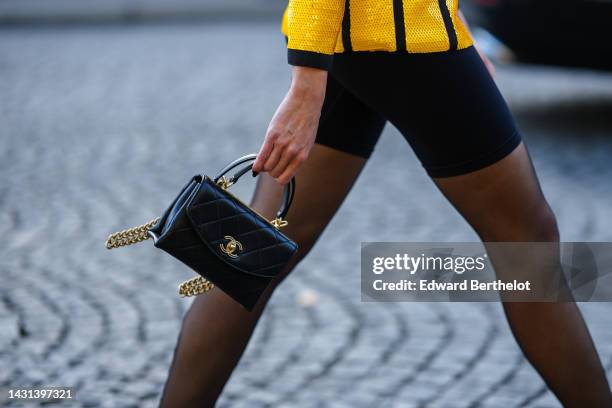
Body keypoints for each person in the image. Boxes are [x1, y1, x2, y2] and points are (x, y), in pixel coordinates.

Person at [159, 1, 612, 406]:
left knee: (254, 252)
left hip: (368, 36)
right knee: (528, 243)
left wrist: (450, 19)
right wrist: (306, 80)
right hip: (402, 40)